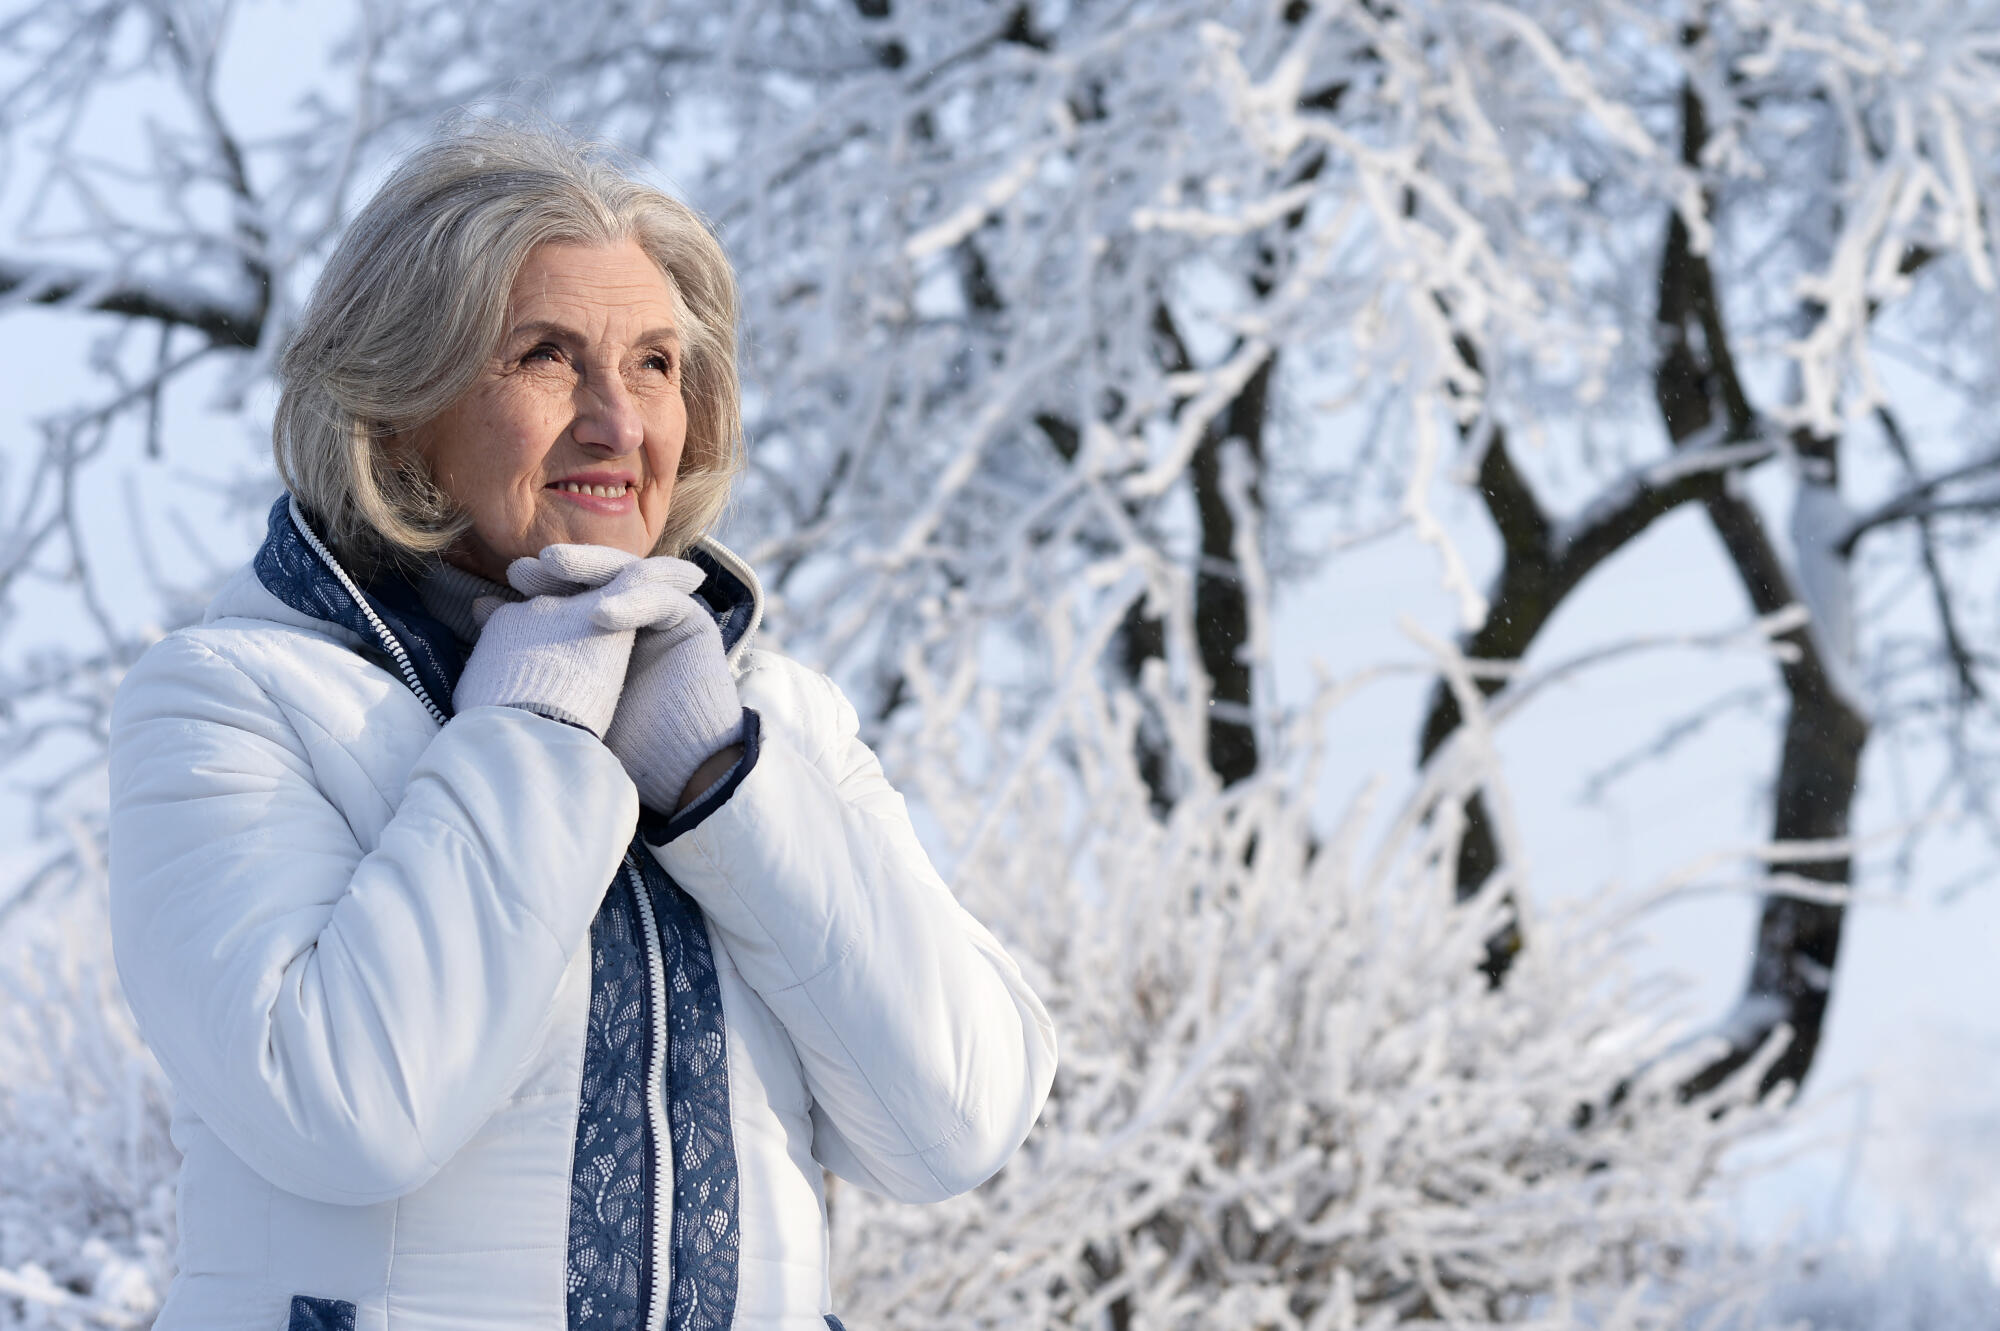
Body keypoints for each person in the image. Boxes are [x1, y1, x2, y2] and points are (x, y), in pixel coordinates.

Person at [107, 121, 1058, 1331]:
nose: (619, 420)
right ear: (398, 409)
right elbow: (344, 1109)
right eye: (548, 355)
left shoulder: (780, 725)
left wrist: (725, 786)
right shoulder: (235, 701)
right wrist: (539, 730)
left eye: (657, 364)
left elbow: (957, 1121)